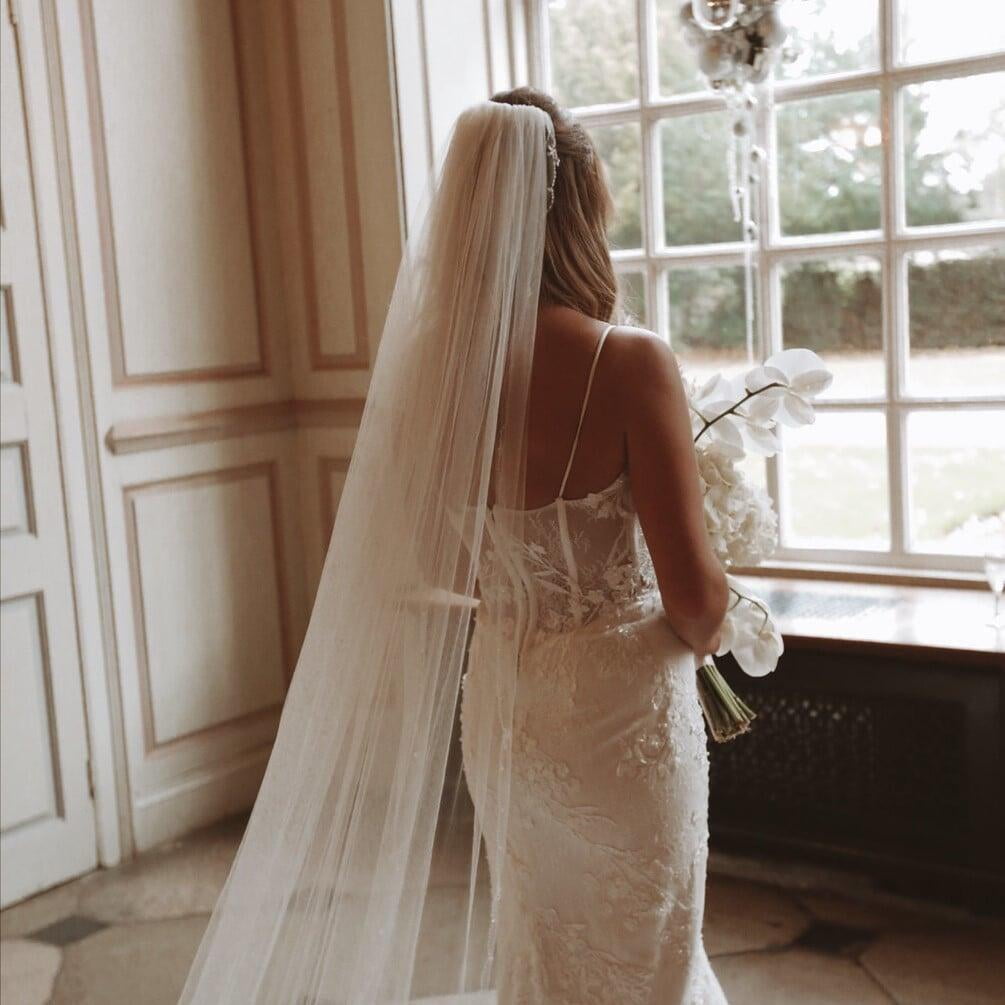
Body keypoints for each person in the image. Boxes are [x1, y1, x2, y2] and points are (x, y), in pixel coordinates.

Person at [180, 87, 727, 1005]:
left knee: (543, 944)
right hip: (620, 717)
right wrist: (725, 589)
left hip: (508, 705)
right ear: (578, 213)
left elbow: (438, 565)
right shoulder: (627, 362)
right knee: (646, 955)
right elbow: (697, 607)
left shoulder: (435, 370)